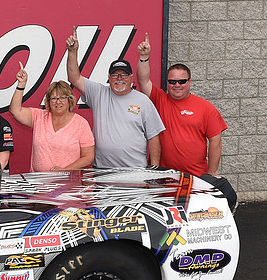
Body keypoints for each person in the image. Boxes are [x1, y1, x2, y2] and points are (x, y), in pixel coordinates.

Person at [136, 33, 235, 208]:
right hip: (165, 178)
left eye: (181, 81)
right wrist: (144, 57)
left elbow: (216, 140)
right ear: (167, 83)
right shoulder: (160, 100)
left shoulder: (205, 107)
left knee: (195, 216)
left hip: (196, 179)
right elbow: (143, 81)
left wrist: (212, 173)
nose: (177, 85)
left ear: (189, 81)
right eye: (172, 81)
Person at [66, 27, 164, 168]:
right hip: (102, 170)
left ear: (131, 78)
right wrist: (72, 52)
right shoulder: (98, 93)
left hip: (134, 172)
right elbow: (74, 78)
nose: (119, 78)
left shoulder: (143, 101)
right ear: (109, 78)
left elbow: (154, 137)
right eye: (115, 75)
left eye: (124, 75)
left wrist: (154, 169)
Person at [9, 62, 95, 172]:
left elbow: (88, 157)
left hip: (69, 182)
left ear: (70, 100)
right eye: (54, 98)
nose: (58, 102)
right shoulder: (38, 116)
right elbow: (15, 110)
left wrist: (65, 170)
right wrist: (21, 84)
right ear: (48, 101)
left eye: (62, 98)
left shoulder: (81, 123)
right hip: (39, 181)